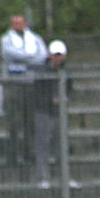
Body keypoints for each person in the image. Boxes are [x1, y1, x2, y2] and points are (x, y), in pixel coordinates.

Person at [0, 15, 47, 169]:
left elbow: (43, 56)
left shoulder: (35, 38)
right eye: (14, 23)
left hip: (30, 84)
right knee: (13, 123)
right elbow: (9, 53)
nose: (17, 25)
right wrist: (30, 57)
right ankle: (12, 156)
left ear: (25, 23)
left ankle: (29, 154)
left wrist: (24, 58)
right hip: (13, 86)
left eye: (19, 23)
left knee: (30, 122)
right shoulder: (6, 39)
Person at [33, 40, 70, 187]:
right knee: (43, 145)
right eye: (55, 55)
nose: (57, 58)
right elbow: (38, 93)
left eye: (60, 55)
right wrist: (51, 100)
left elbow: (70, 90)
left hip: (59, 113)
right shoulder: (42, 72)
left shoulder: (66, 72)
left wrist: (66, 98)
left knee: (61, 145)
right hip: (44, 113)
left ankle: (63, 177)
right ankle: (42, 177)